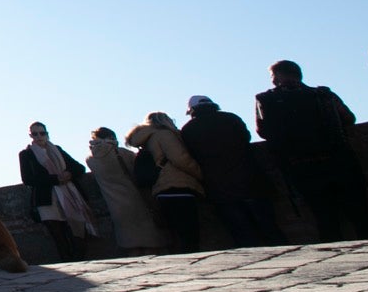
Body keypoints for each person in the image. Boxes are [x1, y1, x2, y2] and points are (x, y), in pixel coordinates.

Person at [255, 60, 368, 243]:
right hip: (340, 159)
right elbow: (348, 118)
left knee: (324, 216)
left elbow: (263, 131)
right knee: (359, 213)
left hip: (301, 164)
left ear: (278, 76)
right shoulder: (323, 94)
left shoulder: (266, 99)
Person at [181, 96, 284, 248]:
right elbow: (245, 137)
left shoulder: (189, 129)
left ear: (192, 110)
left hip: (219, 185)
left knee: (241, 231)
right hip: (250, 179)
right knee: (268, 225)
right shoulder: (231, 118)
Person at [125, 112, 206, 253]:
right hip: (179, 184)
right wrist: (200, 174)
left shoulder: (146, 140)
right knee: (189, 232)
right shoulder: (164, 135)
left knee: (175, 232)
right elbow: (180, 158)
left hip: (161, 188)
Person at [18, 123, 98, 262]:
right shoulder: (26, 154)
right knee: (58, 234)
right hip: (47, 198)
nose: (39, 137)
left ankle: (78, 259)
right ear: (31, 135)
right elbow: (28, 179)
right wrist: (55, 179)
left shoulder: (57, 150)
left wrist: (68, 174)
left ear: (47, 134)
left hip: (69, 193)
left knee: (77, 229)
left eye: (41, 133)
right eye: (35, 134)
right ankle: (67, 260)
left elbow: (79, 167)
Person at [86, 127, 164, 255]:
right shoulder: (123, 153)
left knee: (130, 243)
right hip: (135, 198)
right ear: (111, 137)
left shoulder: (90, 159)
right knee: (149, 240)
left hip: (114, 204)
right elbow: (136, 173)